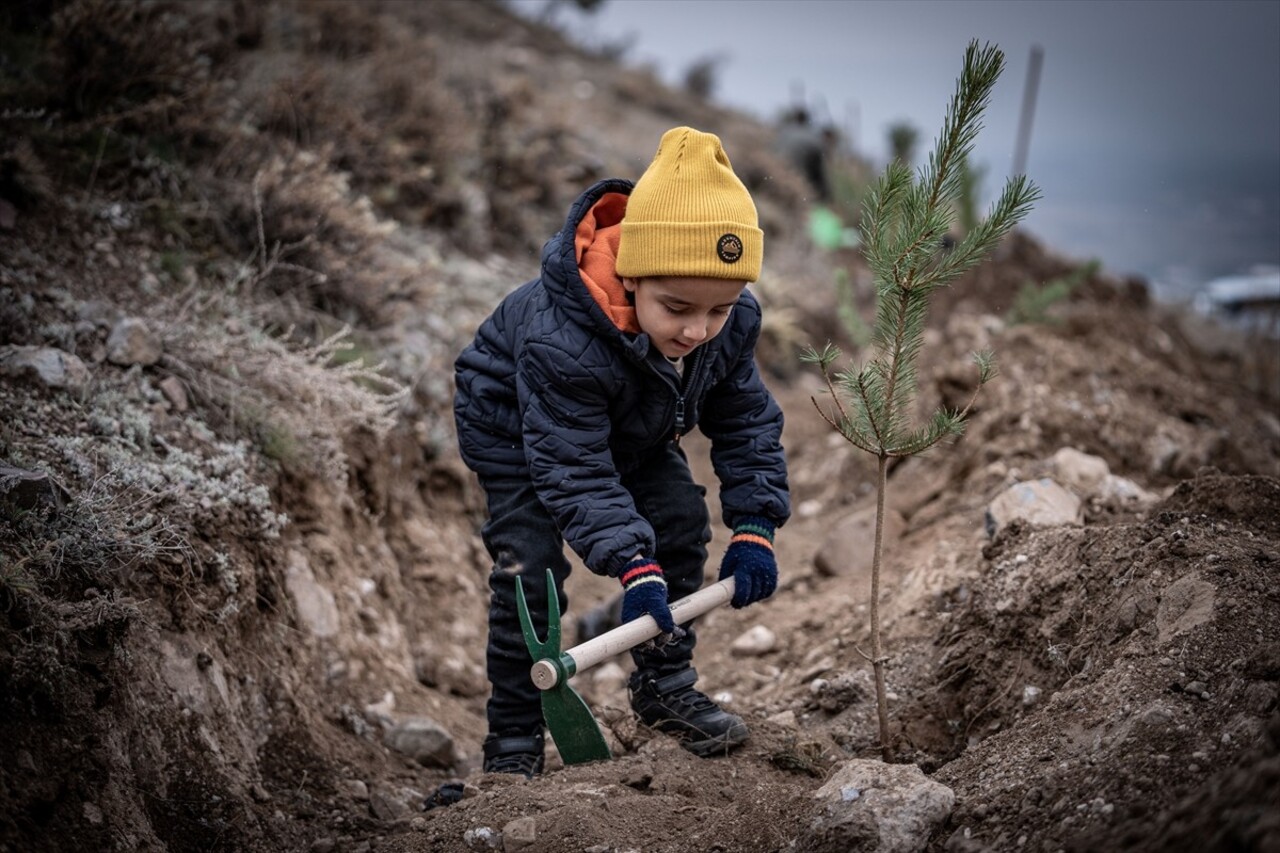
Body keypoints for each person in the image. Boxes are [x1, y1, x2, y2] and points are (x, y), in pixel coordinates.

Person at [453, 126, 791, 777]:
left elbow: (747, 420)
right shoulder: (562, 339)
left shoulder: (728, 323)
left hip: (628, 417)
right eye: (677, 307)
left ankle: (663, 685)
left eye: (719, 308)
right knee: (531, 567)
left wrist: (755, 523)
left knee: (682, 522)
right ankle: (514, 735)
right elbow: (573, 464)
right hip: (517, 422)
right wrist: (634, 565)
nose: (697, 329)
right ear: (632, 276)